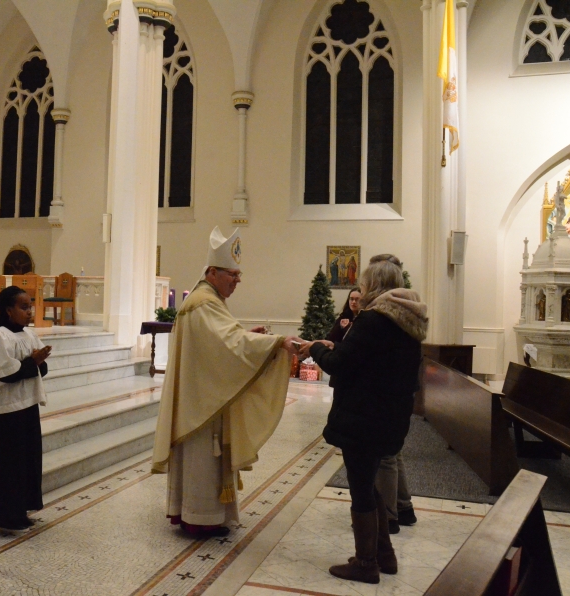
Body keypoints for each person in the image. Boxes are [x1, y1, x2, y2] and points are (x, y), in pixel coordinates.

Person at [152, 227, 296, 537]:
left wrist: (249, 336)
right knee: (203, 460)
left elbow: (220, 342)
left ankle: (203, 515)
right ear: (213, 272)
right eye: (232, 274)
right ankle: (199, 518)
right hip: (201, 406)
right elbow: (226, 343)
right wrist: (278, 342)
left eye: (239, 274)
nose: (238, 280)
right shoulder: (203, 303)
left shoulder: (208, 300)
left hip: (204, 395)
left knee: (206, 462)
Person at [293, 255, 427, 584]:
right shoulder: (407, 322)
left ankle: (366, 563)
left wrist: (314, 348)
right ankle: (385, 555)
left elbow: (342, 363)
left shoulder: (374, 320)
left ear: (375, 286)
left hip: (363, 418)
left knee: (361, 489)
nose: (362, 288)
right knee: (369, 484)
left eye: (365, 283)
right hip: (390, 416)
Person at [0, 286, 51, 533]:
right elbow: (6, 374)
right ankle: (2, 515)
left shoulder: (29, 336)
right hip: (4, 412)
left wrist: (39, 361)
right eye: (24, 307)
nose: (29, 312)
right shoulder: (0, 337)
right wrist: (33, 362)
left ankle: (19, 510)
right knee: (6, 464)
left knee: (24, 461)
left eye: (31, 306)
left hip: (25, 406)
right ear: (8, 310)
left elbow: (41, 369)